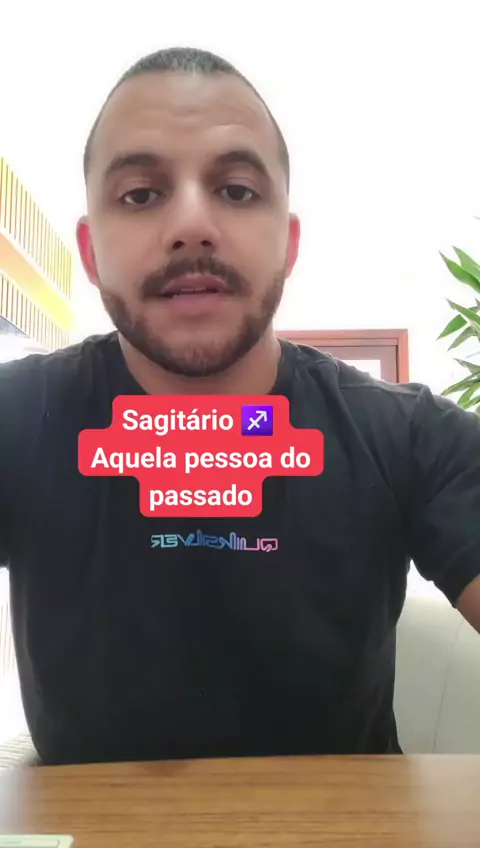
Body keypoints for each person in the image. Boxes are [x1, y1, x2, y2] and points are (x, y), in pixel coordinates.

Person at [1, 47, 479, 767]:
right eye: (141, 194)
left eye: (236, 189)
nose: (192, 225)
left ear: (288, 245)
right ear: (92, 255)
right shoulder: (16, 420)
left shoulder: (411, 436)